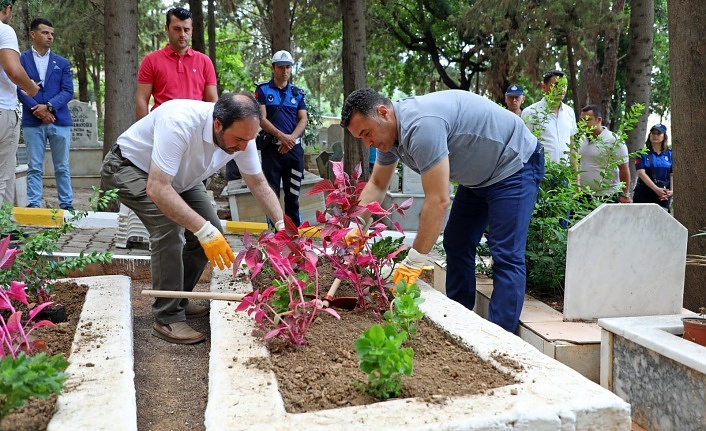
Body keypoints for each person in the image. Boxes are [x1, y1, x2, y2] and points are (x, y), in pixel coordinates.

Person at [340, 88, 544, 333]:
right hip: (479, 178)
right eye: (361, 138)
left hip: (514, 164)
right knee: (457, 242)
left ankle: (498, 339)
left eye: (367, 133)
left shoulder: (422, 127)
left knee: (506, 254)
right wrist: (355, 226)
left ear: (383, 113)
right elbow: (377, 184)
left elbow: (438, 201)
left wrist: (415, 260)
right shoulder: (389, 137)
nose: (368, 143)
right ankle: (459, 318)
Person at [100, 93, 285, 344]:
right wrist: (202, 229)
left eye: (248, 140)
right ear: (217, 124)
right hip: (129, 168)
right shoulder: (179, 122)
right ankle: (167, 317)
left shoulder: (243, 135)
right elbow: (157, 188)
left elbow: (258, 183)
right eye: (239, 140)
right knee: (170, 227)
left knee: (211, 232)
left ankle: (177, 298)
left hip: (179, 178)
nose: (243, 147)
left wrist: (281, 225)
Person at [17, 18, 74, 210]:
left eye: (52, 34)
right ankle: (34, 203)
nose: (50, 37)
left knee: (62, 166)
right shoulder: (20, 60)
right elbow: (18, 88)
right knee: (34, 166)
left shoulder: (62, 62)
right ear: (33, 34)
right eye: (45, 33)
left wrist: (48, 107)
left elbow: (67, 91)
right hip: (33, 121)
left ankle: (66, 204)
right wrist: (39, 111)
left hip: (59, 120)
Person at [253, 50, 308, 226]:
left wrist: (290, 139)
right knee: (271, 194)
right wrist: (281, 137)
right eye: (281, 67)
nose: (284, 71)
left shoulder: (297, 93)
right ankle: (274, 234)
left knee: (293, 195)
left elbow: (303, 118)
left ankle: (294, 236)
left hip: (293, 151)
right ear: (272, 68)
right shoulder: (263, 90)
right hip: (272, 150)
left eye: (288, 67)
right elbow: (261, 118)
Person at [135, 7, 217, 120]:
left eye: (186, 30)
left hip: (196, 126)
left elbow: (212, 101)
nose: (182, 34)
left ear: (192, 30)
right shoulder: (151, 60)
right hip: (162, 125)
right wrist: (144, 132)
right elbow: (142, 99)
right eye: (177, 29)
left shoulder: (204, 61)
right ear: (166, 29)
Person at [0, 0, 40, 206]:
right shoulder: (4, 31)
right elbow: (13, 70)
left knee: (7, 173)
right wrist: (31, 88)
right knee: (1, 177)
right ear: (7, 9)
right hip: (2, 109)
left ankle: (5, 231)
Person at [576, 105, 631, 203]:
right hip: (584, 196)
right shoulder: (581, 139)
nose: (584, 124)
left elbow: (624, 168)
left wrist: (625, 194)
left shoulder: (614, 140)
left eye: (588, 120)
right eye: (582, 120)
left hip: (607, 196)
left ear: (599, 120)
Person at [521, 70, 577, 164]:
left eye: (564, 85)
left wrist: (576, 175)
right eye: (556, 85)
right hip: (542, 173)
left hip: (564, 174)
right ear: (544, 87)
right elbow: (524, 147)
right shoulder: (531, 112)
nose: (561, 89)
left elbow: (572, 146)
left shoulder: (569, 112)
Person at [633, 123, 673, 210]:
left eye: (658, 133)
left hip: (663, 194)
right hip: (644, 193)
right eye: (653, 133)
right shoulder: (642, 153)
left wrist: (671, 191)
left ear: (664, 136)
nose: (655, 136)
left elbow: (672, 174)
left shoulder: (670, 154)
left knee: (660, 220)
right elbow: (641, 173)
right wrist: (656, 189)